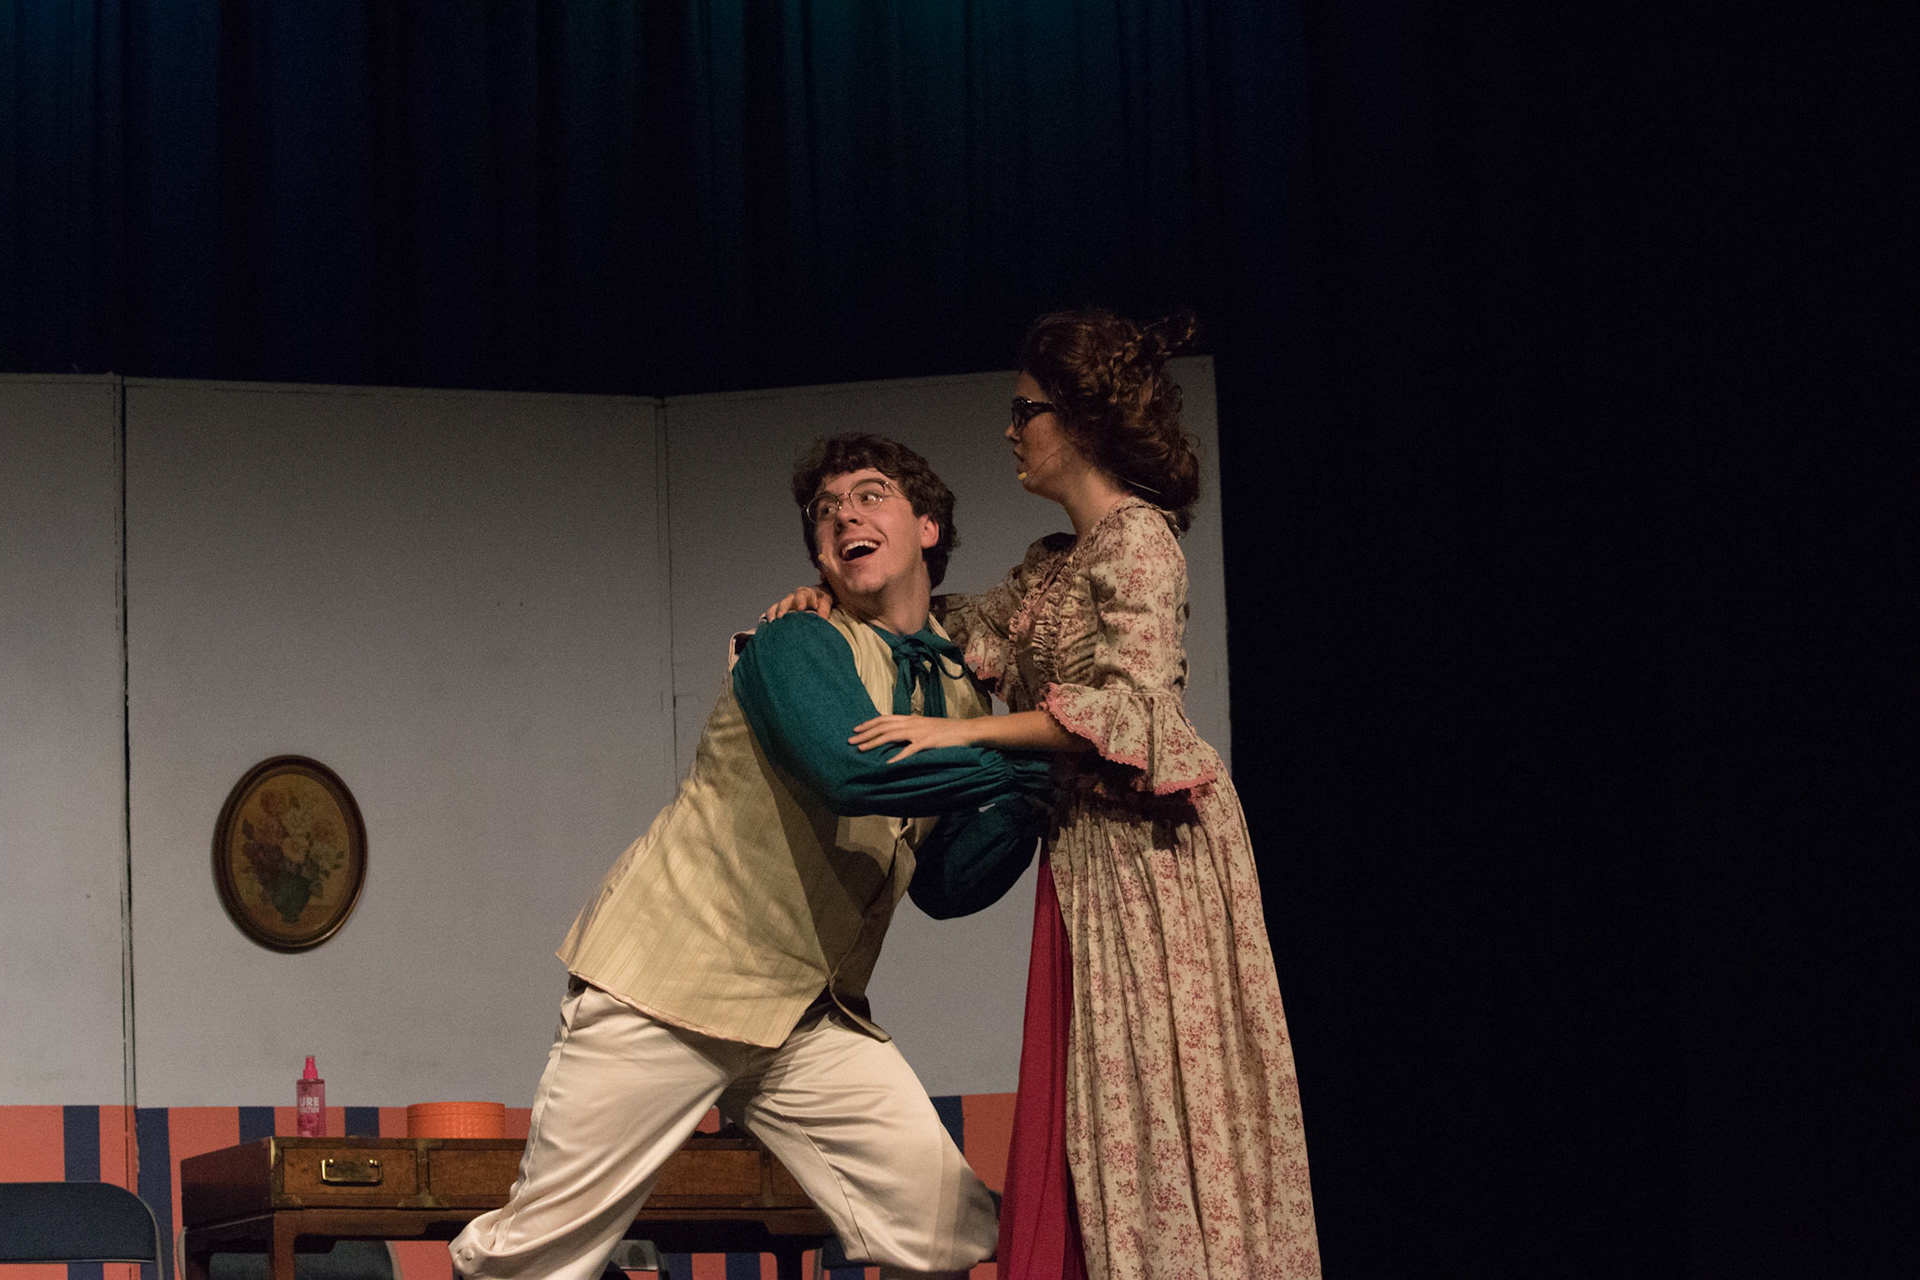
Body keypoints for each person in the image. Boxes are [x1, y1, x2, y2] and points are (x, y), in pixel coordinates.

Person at [771, 311, 1321, 1278]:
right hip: (1092, 860)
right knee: (1106, 1104)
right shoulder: (1052, 565)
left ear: (1080, 418)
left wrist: (963, 731)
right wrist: (832, 606)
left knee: (1159, 1098)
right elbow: (946, 621)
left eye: (1025, 411)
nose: (1011, 430)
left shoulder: (1138, 540)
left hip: (1154, 863)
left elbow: (1134, 709)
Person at [451, 434, 1052, 1280]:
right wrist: (1034, 754)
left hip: (805, 1015)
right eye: (825, 511)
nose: (843, 515)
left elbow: (946, 884)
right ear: (820, 557)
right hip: (672, 984)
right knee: (532, 1259)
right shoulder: (795, 642)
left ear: (928, 527)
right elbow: (854, 772)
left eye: (870, 495)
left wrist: (1031, 803)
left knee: (944, 1227)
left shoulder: (956, 694)